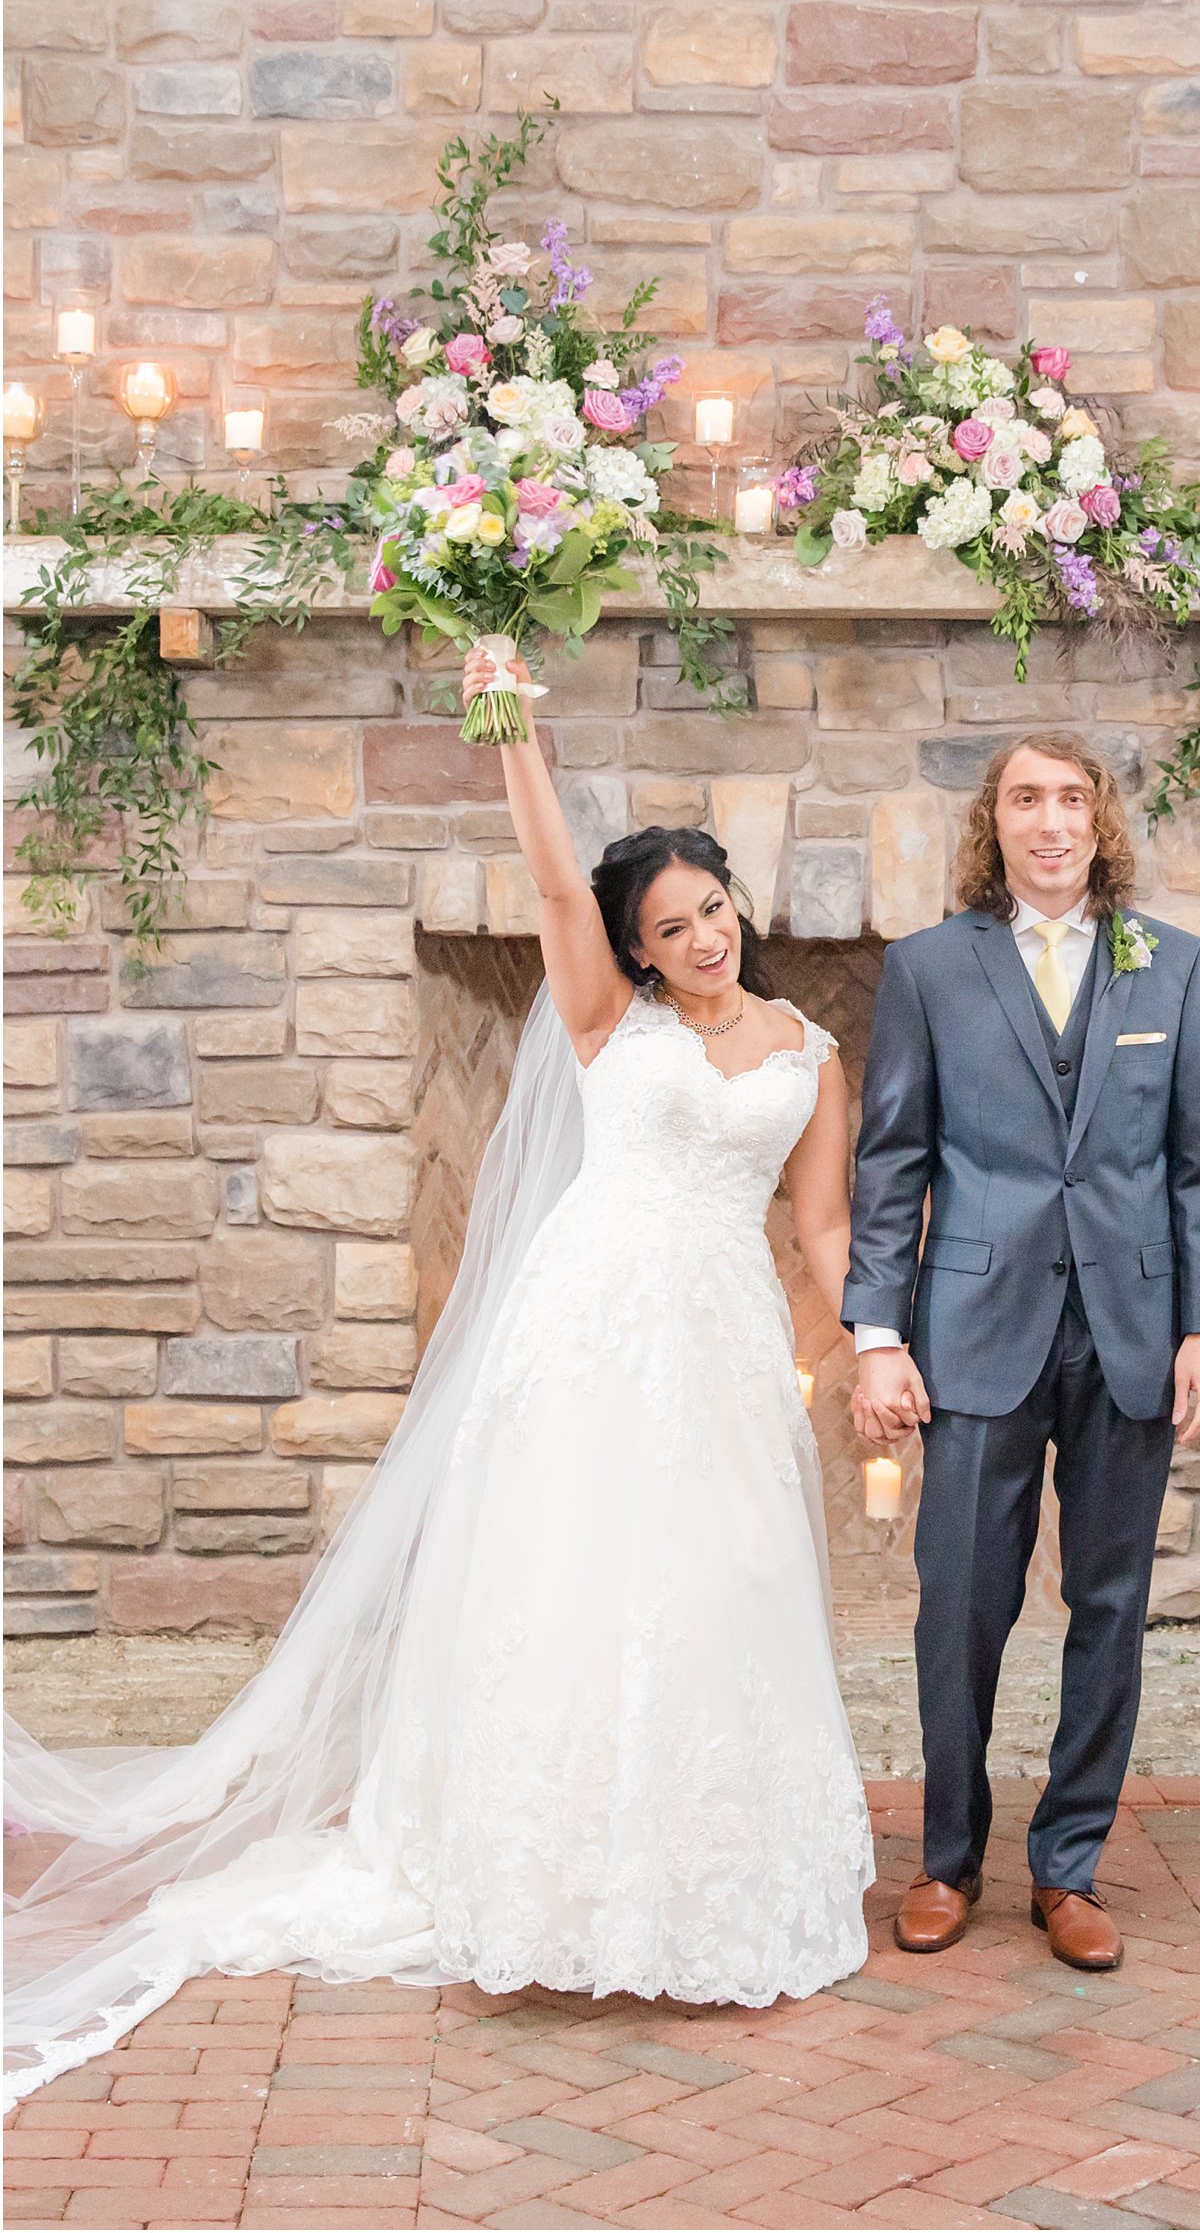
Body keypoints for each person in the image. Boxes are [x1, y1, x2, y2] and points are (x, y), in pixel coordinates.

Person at [2, 651, 873, 2107]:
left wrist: (882, 1340)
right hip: (591, 1326)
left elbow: (826, 1227)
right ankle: (538, 1873)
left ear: (738, 910)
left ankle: (694, 1871)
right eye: (673, 925)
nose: (706, 936)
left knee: (716, 1583)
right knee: (572, 1583)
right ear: (638, 950)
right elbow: (545, 889)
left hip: (719, 1340)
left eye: (715, 909)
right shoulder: (610, 1023)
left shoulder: (811, 1052)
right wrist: (518, 737)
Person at [844, 735, 1200, 1973]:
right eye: (1026, 799)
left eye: (1071, 798)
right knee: (959, 1604)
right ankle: (947, 1858)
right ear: (995, 823)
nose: (1050, 820)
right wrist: (875, 1333)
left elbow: (1199, 1168)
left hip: (1128, 1331)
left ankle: (1067, 1868)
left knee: (1108, 1606)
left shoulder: (1170, 967)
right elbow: (890, 1160)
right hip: (973, 1331)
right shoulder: (928, 970)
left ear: (1096, 820)